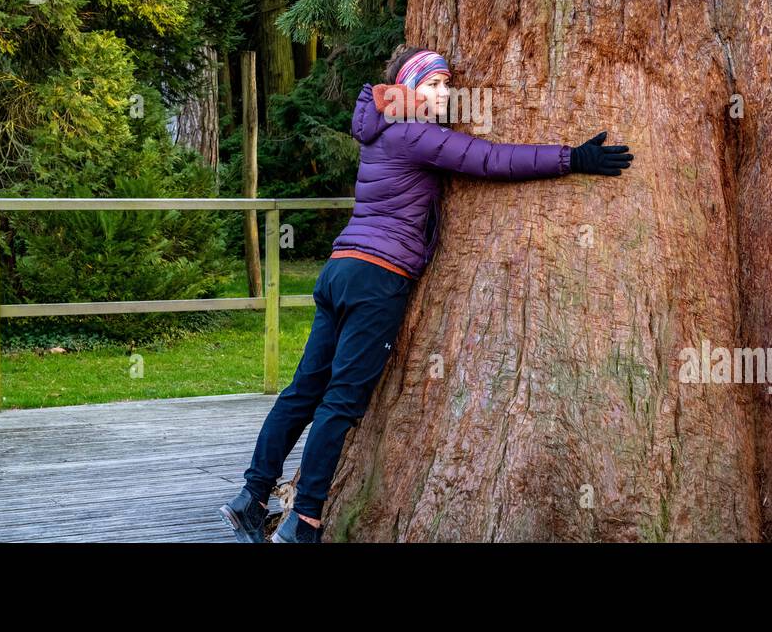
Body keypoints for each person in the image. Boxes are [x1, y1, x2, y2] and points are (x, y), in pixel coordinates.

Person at [219, 45, 634, 542]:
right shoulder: (416, 134)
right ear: (409, 89)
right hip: (377, 278)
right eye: (434, 85)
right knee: (340, 402)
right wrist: (573, 158)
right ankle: (303, 522)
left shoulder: (382, 128)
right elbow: (490, 158)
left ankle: (252, 497)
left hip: (339, 270)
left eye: (447, 84)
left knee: (304, 391)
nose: (446, 93)